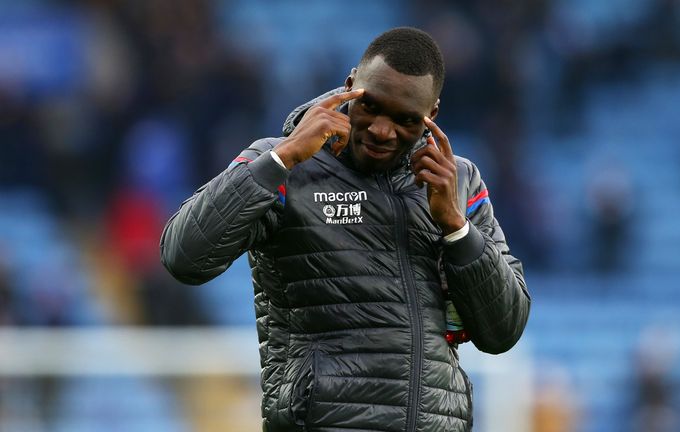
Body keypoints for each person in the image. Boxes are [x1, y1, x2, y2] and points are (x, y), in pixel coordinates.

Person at [160, 27, 531, 432]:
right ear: (350, 84)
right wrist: (279, 160)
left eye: (406, 119)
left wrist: (456, 228)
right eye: (370, 106)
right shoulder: (284, 160)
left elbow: (502, 332)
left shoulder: (457, 181)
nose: (382, 130)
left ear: (432, 115)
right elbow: (183, 257)